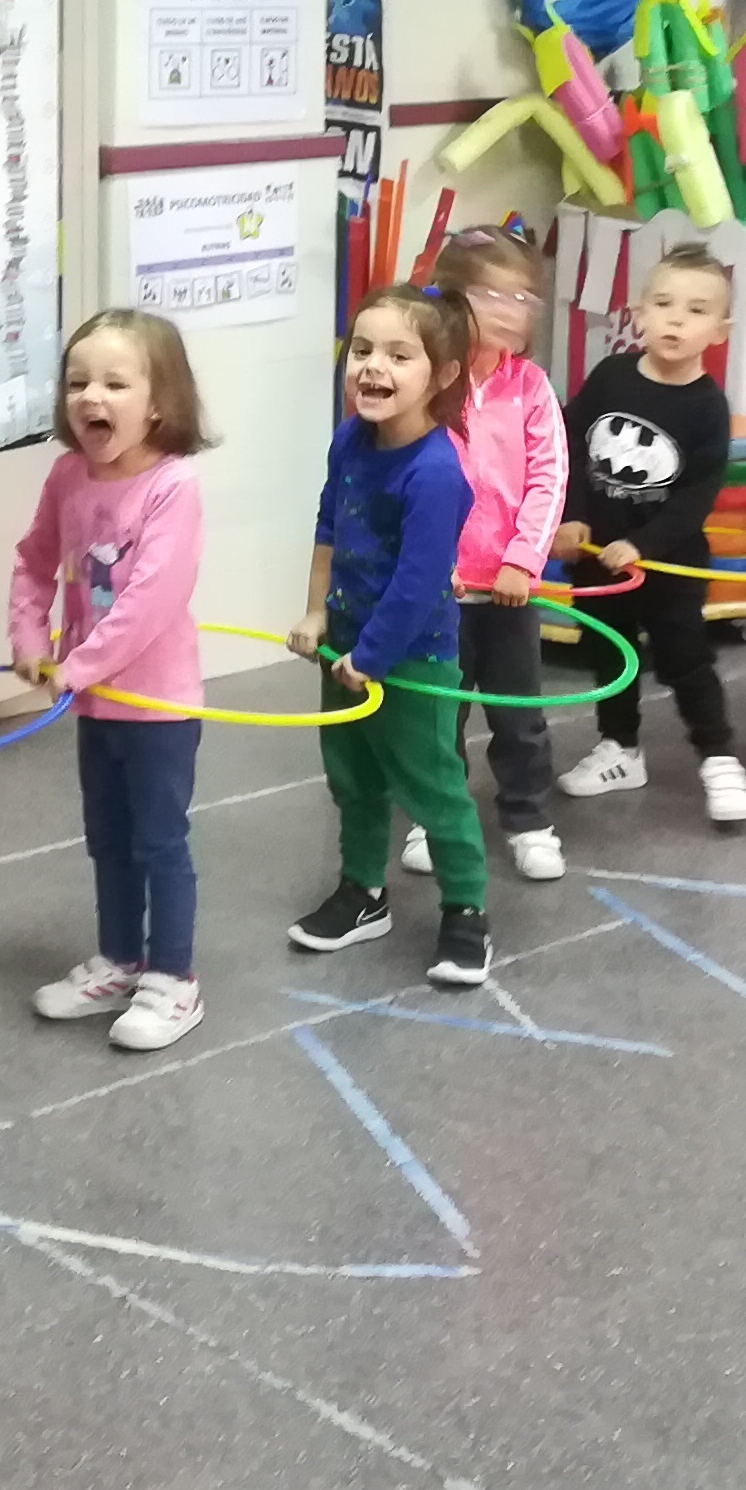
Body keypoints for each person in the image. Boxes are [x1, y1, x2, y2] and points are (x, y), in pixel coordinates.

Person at [10, 309, 212, 1051]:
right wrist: (28, 637)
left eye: (115, 384)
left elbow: (147, 604)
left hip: (157, 706)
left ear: (160, 402)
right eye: (77, 382)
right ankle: (121, 960)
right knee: (108, 838)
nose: (91, 397)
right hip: (95, 704)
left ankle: (175, 980)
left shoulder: (172, 487)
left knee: (160, 840)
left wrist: (76, 666)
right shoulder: (68, 476)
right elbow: (35, 559)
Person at [287, 285, 488, 987]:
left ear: (443, 374)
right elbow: (328, 527)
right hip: (345, 645)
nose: (373, 366)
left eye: (400, 355)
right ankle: (363, 892)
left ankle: (466, 910)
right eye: (363, 350)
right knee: (353, 776)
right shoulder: (349, 439)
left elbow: (417, 581)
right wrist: (315, 614)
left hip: (412, 658)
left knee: (434, 788)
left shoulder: (436, 473)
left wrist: (371, 656)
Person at [550, 242, 746, 824]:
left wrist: (644, 545)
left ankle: (718, 757)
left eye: (696, 310)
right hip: (597, 558)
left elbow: (695, 498)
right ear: (639, 312)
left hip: (669, 564)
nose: (675, 320)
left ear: (720, 330)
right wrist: (571, 514)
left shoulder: (707, 407)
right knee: (609, 654)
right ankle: (620, 748)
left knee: (685, 660)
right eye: (663, 304)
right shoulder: (612, 376)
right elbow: (571, 445)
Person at [406, 226, 565, 887]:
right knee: (439, 713)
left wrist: (522, 560)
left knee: (517, 714)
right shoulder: (426, 386)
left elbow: (548, 478)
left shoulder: (530, 387)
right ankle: (434, 816)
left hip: (507, 590)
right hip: (438, 590)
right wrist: (426, 561)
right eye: (492, 294)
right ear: (451, 299)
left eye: (523, 297)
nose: (510, 310)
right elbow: (407, 479)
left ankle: (529, 820)